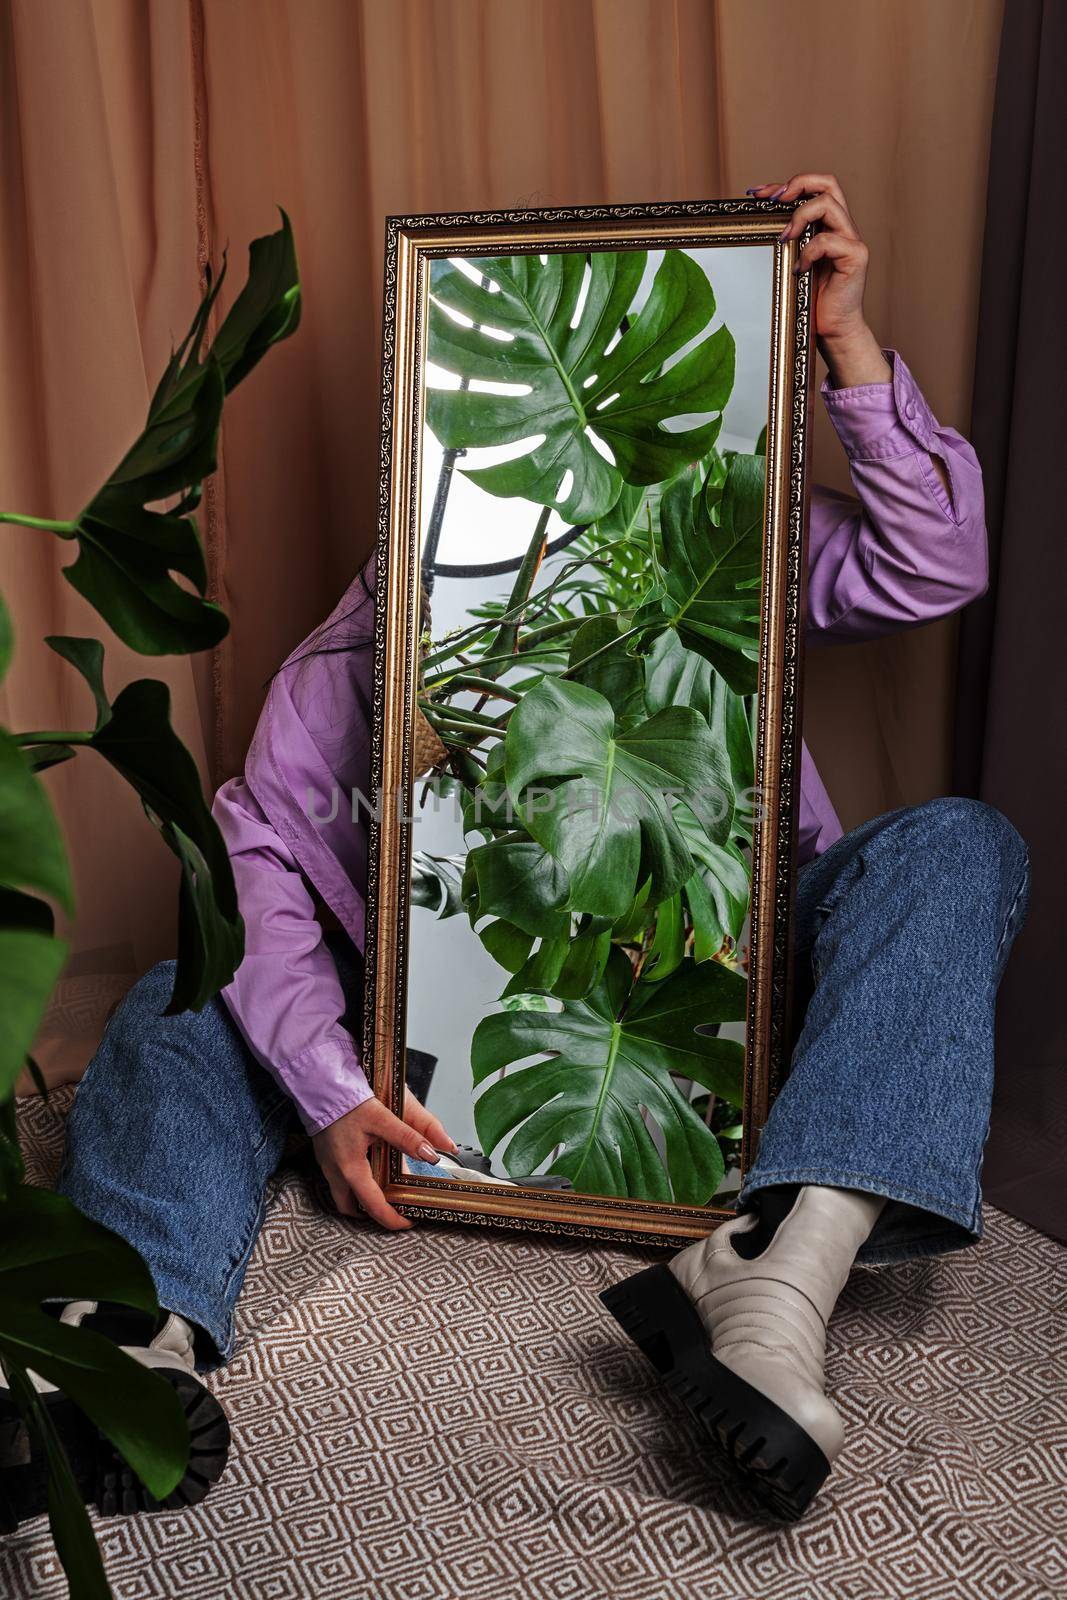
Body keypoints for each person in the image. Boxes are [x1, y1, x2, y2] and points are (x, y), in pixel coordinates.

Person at [0, 174, 1027, 1528]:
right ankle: (126, 1343)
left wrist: (843, 342)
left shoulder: (701, 546)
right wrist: (327, 1089)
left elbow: (932, 561)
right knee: (182, 992)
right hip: (430, 1060)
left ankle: (778, 1269)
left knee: (959, 845)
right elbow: (250, 876)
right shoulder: (357, 665)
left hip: (742, 1000)